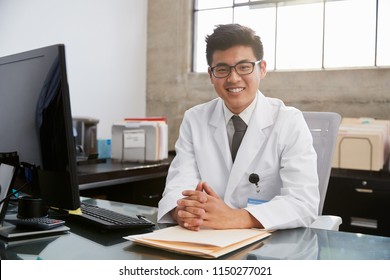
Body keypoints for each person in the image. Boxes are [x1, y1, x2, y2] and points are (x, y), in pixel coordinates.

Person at [157, 24, 319, 231]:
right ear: (211, 75)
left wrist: (237, 218)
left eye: (244, 67)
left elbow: (303, 202)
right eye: (222, 69)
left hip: (269, 245)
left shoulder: (289, 121)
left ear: (262, 69)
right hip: (205, 237)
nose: (233, 78)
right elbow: (179, 185)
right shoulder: (194, 119)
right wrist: (183, 211)